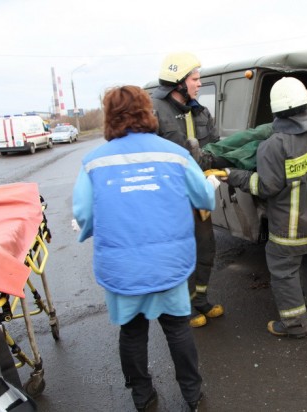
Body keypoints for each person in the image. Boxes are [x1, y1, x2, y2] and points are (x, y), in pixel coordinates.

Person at [72, 85, 218, 411]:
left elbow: (83, 213)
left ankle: (143, 397)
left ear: (110, 117)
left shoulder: (93, 163)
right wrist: (210, 185)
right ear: (147, 113)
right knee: (177, 328)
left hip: (122, 267)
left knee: (133, 332)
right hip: (169, 263)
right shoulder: (174, 155)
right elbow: (204, 198)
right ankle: (193, 396)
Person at [224, 77, 307, 338]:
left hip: (289, 231)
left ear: (277, 110)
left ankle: (295, 325)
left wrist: (233, 175)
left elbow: (265, 187)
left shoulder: (273, 145)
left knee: (284, 272)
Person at [151, 52, 229, 328]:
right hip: (169, 201)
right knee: (179, 254)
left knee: (205, 249)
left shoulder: (201, 112)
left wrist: (217, 167)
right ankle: (181, 306)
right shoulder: (154, 111)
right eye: (195, 79)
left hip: (198, 197)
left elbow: (215, 148)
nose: (199, 83)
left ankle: (201, 300)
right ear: (178, 83)